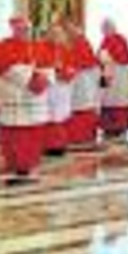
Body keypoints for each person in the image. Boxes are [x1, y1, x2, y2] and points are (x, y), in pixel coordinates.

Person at [0, 16, 52, 184]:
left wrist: (45, 78)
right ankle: (16, 165)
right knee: (16, 134)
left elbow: (48, 67)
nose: (24, 32)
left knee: (33, 134)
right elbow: (5, 68)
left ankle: (28, 165)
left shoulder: (39, 46)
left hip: (35, 101)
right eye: (20, 29)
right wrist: (29, 79)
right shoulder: (3, 46)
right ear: (13, 29)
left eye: (26, 29)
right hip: (15, 97)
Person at [64, 20, 101, 147]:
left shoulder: (82, 42)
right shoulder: (71, 42)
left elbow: (85, 60)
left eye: (71, 29)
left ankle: (82, 136)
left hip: (83, 78)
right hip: (76, 78)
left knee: (82, 104)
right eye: (67, 30)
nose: (69, 32)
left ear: (77, 28)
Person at [41, 22, 76, 155]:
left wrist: (67, 72)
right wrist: (53, 71)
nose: (56, 36)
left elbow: (72, 66)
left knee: (60, 116)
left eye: (59, 33)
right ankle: (49, 145)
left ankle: (60, 144)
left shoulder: (65, 49)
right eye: (53, 33)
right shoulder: (41, 48)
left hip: (62, 88)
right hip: (49, 88)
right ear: (48, 34)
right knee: (49, 116)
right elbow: (39, 66)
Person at [98, 18, 128, 139]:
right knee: (106, 100)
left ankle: (118, 127)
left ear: (113, 28)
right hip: (107, 72)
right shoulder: (105, 40)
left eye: (106, 28)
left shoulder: (120, 39)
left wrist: (108, 58)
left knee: (117, 101)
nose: (104, 31)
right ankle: (108, 127)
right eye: (103, 29)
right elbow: (100, 55)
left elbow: (121, 55)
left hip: (119, 74)